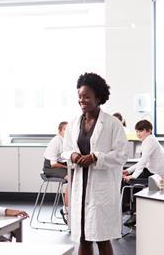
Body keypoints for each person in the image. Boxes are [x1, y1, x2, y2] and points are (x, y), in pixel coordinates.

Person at [62, 72, 128, 255]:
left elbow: (122, 154)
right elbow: (65, 149)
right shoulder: (74, 123)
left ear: (98, 97)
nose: (82, 100)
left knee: (102, 237)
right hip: (79, 186)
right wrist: (73, 155)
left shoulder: (112, 124)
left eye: (86, 97)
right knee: (83, 237)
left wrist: (96, 157)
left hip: (101, 189)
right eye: (79, 97)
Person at [43, 121, 69, 223]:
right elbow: (53, 164)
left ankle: (73, 208)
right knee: (71, 178)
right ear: (60, 131)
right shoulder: (56, 141)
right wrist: (67, 168)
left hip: (59, 165)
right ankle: (66, 210)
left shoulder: (66, 141)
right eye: (65, 130)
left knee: (78, 176)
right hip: (50, 167)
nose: (67, 132)